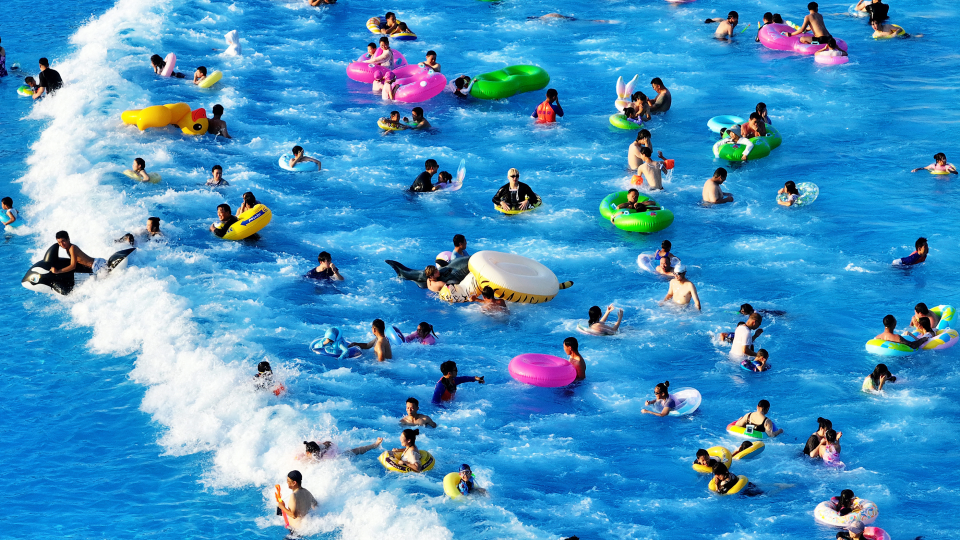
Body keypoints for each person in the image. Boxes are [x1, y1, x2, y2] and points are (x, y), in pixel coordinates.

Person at [302, 438, 383, 460]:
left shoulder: (319, 452)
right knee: (354, 451)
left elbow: (329, 443)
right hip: (332, 452)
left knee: (354, 451)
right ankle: (374, 445)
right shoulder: (315, 452)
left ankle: (374, 445)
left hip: (336, 455)